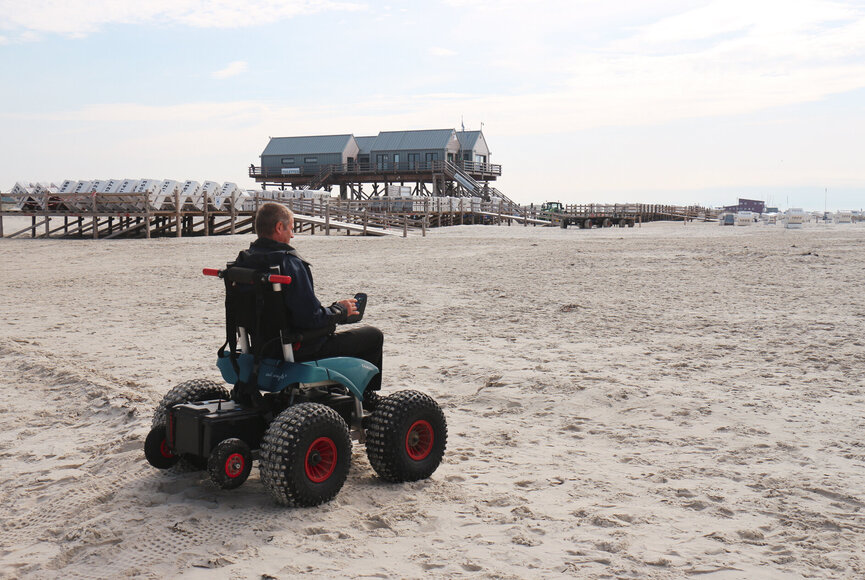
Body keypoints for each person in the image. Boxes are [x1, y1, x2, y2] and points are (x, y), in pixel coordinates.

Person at [234, 202, 383, 397]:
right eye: (292, 228)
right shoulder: (288, 262)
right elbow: (309, 319)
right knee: (373, 335)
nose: (293, 235)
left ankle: (334, 387)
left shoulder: (243, 261)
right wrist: (340, 310)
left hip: (260, 346)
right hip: (297, 348)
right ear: (279, 227)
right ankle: (368, 398)